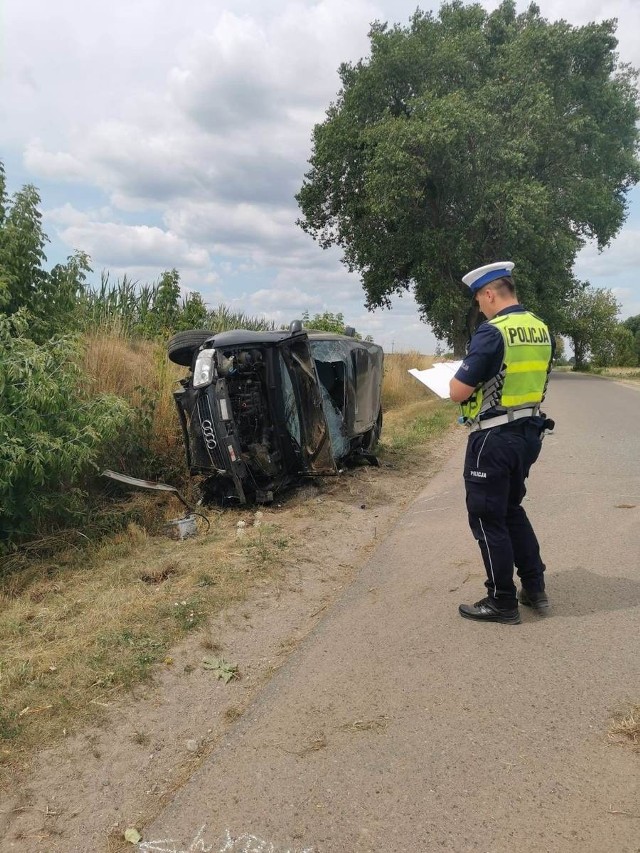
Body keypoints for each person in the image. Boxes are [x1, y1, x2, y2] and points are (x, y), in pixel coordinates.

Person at [449, 262, 554, 625]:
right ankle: (534, 587)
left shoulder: (493, 332)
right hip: (528, 431)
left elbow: (457, 391)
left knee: (487, 517)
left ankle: (502, 600)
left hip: (493, 437)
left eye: (479, 299)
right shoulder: (541, 329)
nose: (479, 306)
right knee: (511, 509)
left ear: (490, 294)